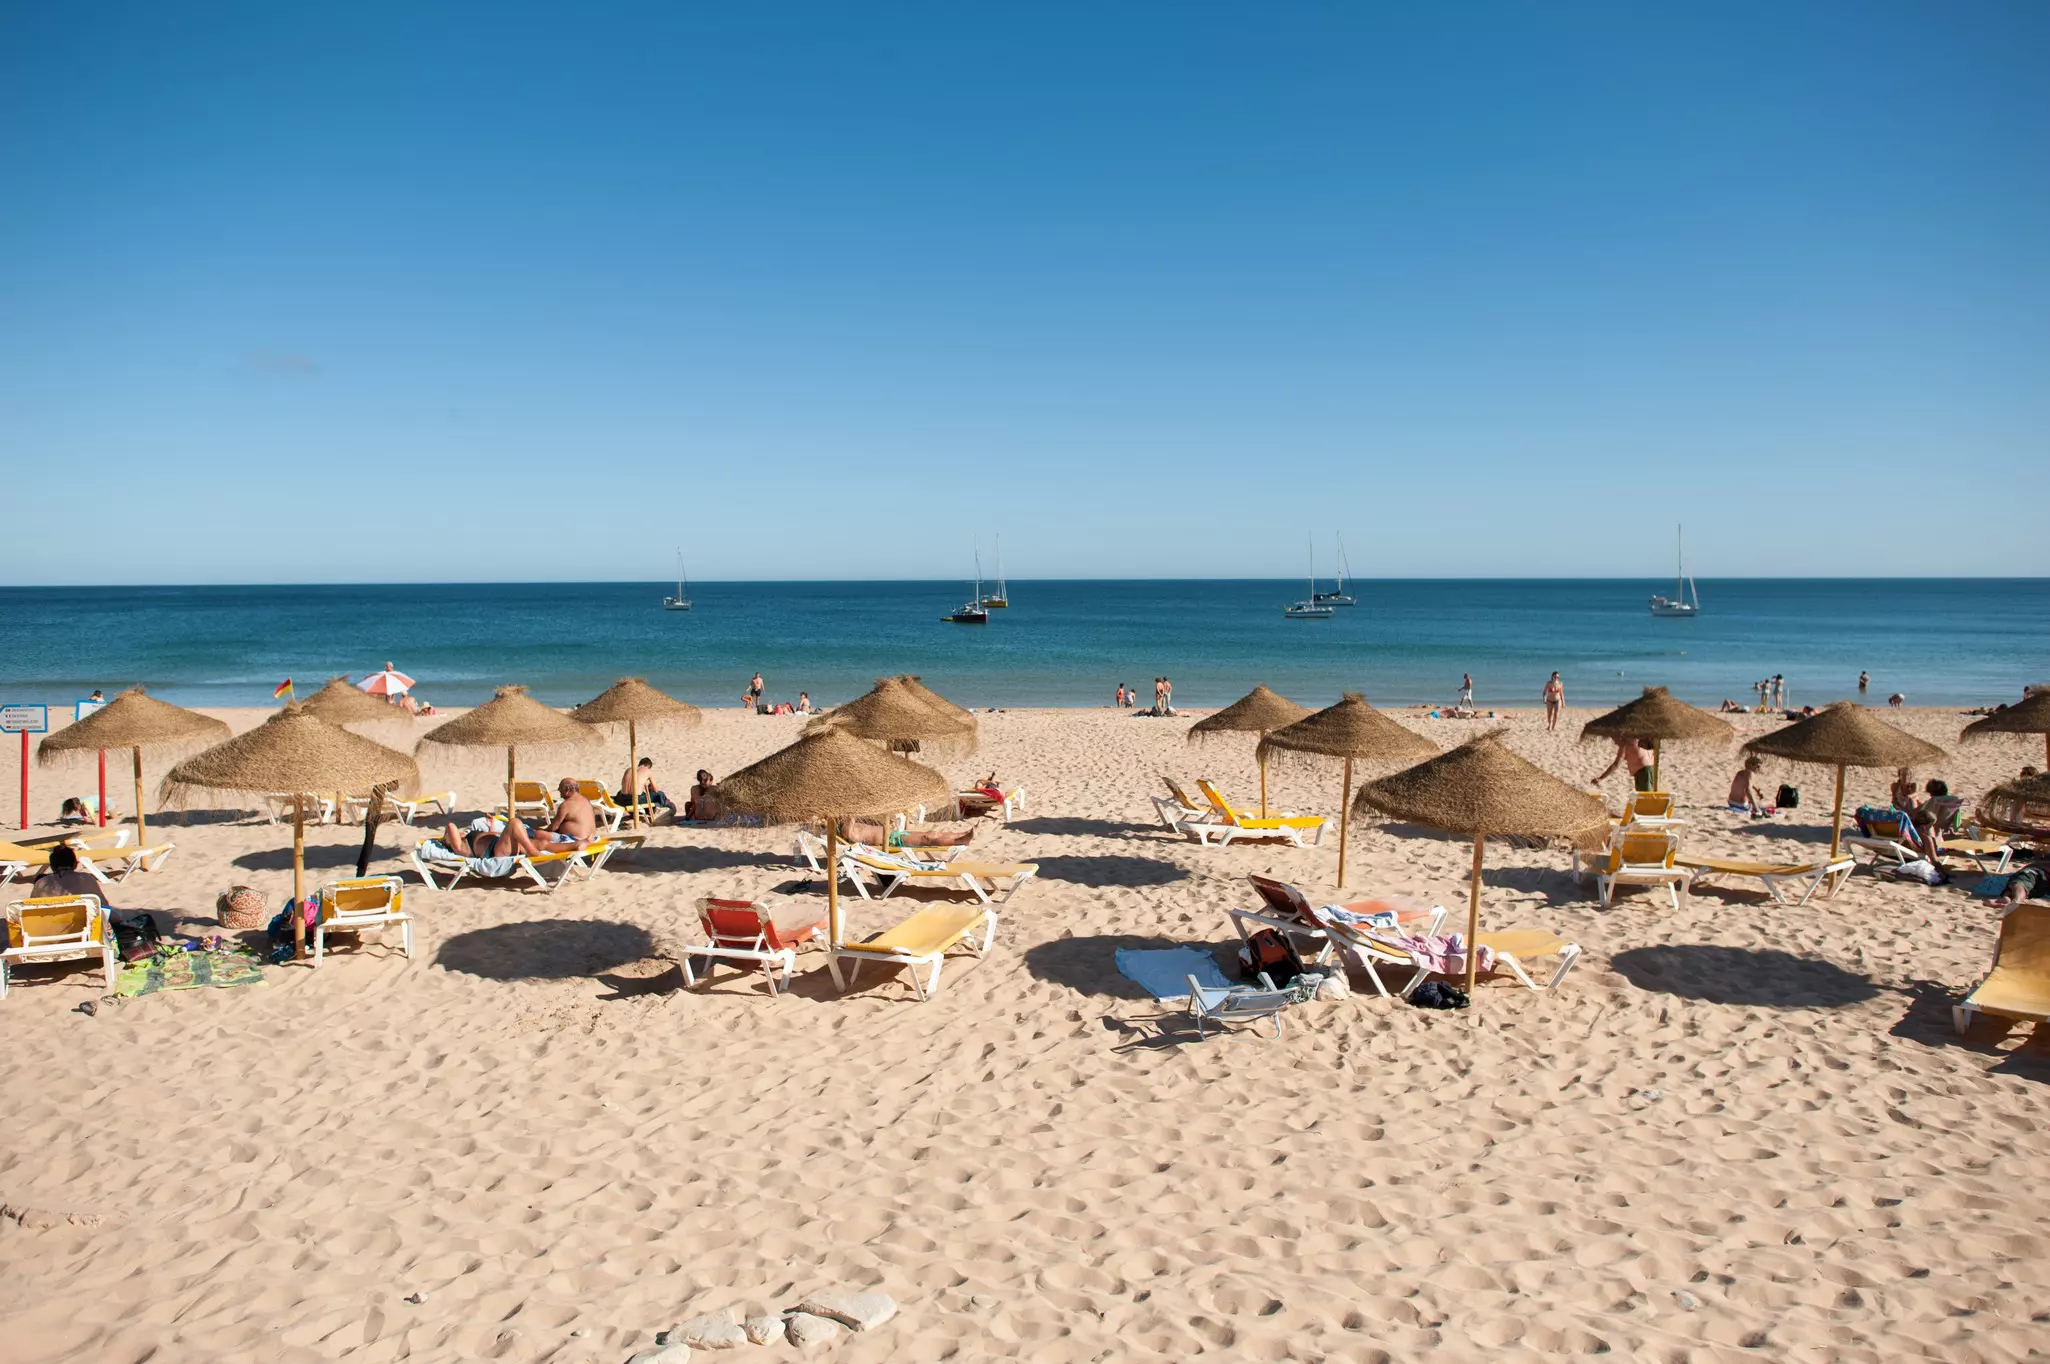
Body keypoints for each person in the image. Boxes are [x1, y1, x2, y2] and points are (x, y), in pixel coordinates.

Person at [546, 778, 598, 843]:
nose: (559, 790)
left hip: (576, 840)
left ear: (567, 789)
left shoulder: (566, 804)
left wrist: (543, 830)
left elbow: (553, 828)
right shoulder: (585, 800)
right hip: (593, 838)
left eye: (560, 788)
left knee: (540, 835)